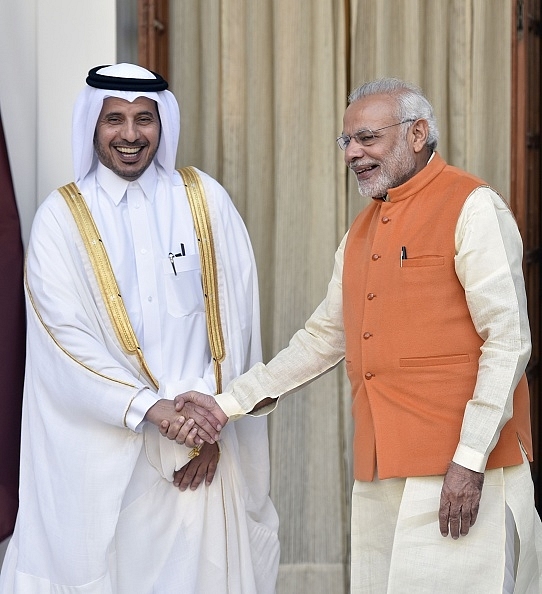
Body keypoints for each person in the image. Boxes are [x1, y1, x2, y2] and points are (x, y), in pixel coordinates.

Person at [166, 78, 542, 593]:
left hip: (458, 470)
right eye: (347, 141)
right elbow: (323, 337)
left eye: (368, 138)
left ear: (417, 134)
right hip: (381, 469)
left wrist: (469, 460)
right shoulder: (361, 232)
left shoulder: (472, 206)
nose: (354, 153)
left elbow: (507, 341)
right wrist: (225, 404)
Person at [0, 63, 279, 593]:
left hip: (201, 456)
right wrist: (152, 410)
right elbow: (65, 342)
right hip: (104, 459)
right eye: (115, 119)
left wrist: (211, 425)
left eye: (144, 119)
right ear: (93, 125)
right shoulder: (60, 219)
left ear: (162, 124)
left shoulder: (205, 202)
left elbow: (238, 326)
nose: (130, 135)